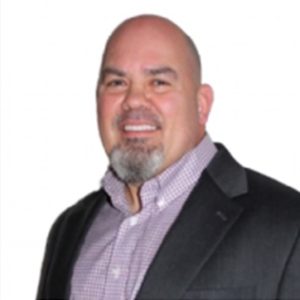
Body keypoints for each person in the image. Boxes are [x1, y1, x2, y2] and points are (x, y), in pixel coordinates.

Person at [37, 15, 300, 300]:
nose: (134, 100)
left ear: (201, 106)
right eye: (116, 82)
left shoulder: (288, 225)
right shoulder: (68, 229)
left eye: (159, 82)